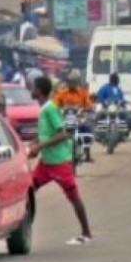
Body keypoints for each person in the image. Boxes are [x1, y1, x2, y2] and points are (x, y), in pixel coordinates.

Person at [28, 76, 94, 246]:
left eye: (33, 87)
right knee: (27, 190)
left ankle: (86, 233)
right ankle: (24, 228)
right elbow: (47, 132)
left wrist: (39, 147)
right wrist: (35, 142)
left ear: (40, 91)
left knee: (73, 196)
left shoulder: (50, 108)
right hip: (46, 162)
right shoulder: (45, 108)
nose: (31, 89)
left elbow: (62, 133)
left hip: (59, 162)